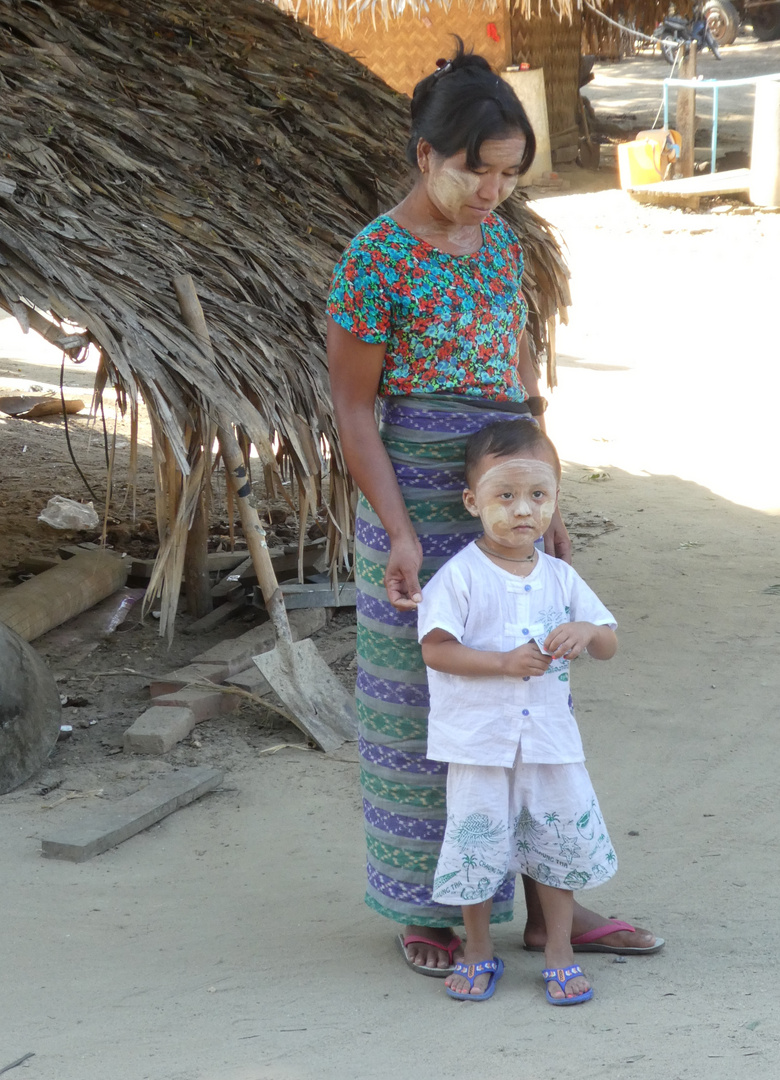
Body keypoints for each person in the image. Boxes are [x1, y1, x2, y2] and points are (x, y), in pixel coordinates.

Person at [326, 40, 662, 976]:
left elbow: (519, 383)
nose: (493, 193)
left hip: (504, 491)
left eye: (510, 176)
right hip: (415, 503)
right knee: (426, 712)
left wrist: (541, 491)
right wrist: (399, 531)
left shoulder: (503, 246)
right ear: (425, 154)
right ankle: (433, 912)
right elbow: (355, 407)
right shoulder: (373, 257)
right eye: (478, 173)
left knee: (532, 702)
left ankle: (552, 906)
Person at [419, 419, 618, 1003]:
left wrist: (586, 630)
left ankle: (559, 950)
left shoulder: (561, 577)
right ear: (471, 501)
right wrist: (504, 664)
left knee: (556, 842)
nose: (522, 510)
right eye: (504, 496)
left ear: (555, 501)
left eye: (538, 495)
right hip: (479, 744)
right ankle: (479, 949)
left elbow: (609, 640)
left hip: (551, 745)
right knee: (476, 846)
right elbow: (435, 648)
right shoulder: (459, 576)